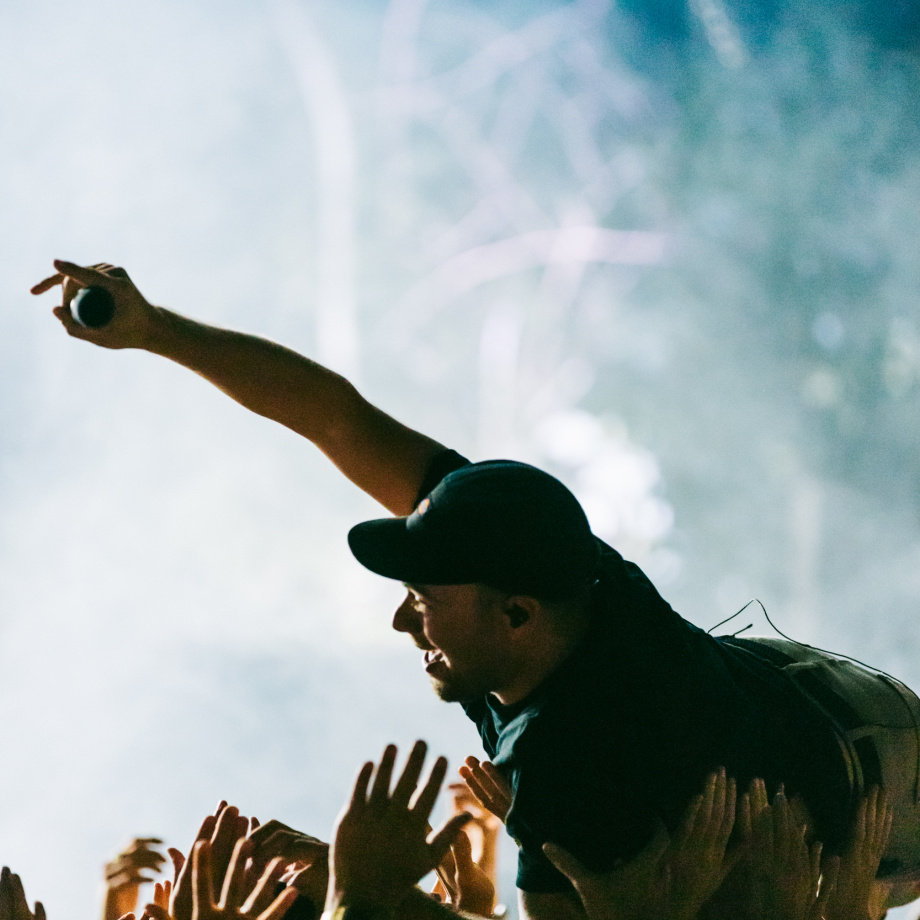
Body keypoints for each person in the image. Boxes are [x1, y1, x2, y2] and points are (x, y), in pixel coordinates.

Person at [29, 262, 920, 920]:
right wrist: (155, 329)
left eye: (423, 600)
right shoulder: (552, 554)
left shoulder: (569, 769)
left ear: (516, 616)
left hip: (871, 815)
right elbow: (332, 414)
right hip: (827, 722)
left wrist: (361, 892)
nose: (401, 620)